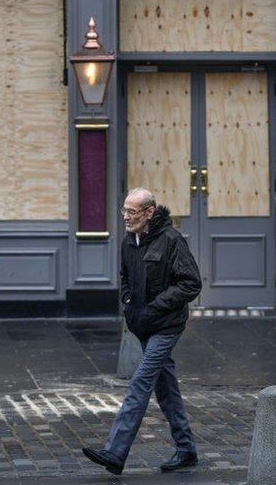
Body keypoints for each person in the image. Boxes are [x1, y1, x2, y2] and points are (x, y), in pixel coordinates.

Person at [82, 187, 202, 475]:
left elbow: (191, 283)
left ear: (149, 213)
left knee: (140, 383)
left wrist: (154, 307)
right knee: (166, 389)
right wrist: (128, 304)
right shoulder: (128, 242)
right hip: (143, 325)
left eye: (132, 212)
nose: (126, 217)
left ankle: (115, 452)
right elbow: (125, 278)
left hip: (167, 324)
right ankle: (186, 450)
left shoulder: (171, 240)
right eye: (124, 210)